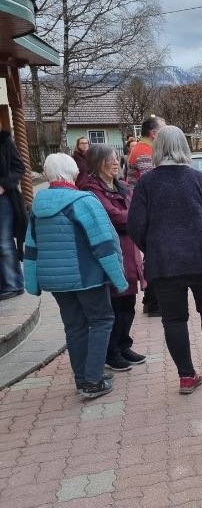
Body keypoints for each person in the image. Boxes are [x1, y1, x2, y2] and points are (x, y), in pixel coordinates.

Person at [127, 125, 202, 394]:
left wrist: (154, 247)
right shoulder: (197, 179)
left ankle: (186, 376)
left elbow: (135, 226)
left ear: (157, 148)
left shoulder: (146, 184)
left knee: (173, 320)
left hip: (164, 262)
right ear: (183, 147)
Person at [23, 153, 128, 399]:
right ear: (74, 172)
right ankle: (93, 379)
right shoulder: (83, 201)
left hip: (56, 281)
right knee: (101, 320)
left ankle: (83, 378)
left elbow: (31, 245)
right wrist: (118, 277)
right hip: (87, 275)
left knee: (74, 326)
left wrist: (32, 282)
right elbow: (104, 243)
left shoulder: (38, 205)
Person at [80, 144, 147, 372]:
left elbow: (138, 212)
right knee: (114, 305)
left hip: (130, 251)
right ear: (98, 162)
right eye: (111, 159)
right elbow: (114, 217)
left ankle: (124, 345)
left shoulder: (123, 187)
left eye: (117, 158)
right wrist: (134, 217)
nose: (117, 162)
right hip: (110, 253)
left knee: (128, 303)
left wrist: (135, 217)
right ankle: (111, 352)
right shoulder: (91, 191)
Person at [127, 117, 165, 316]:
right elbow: (153, 185)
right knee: (154, 257)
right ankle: (153, 302)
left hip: (144, 209)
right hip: (150, 212)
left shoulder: (142, 148)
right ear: (154, 133)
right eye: (163, 129)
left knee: (152, 256)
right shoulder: (145, 152)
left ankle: (150, 301)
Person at [0, 130, 26, 300]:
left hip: (4, 199)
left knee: (4, 243)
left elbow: (19, 168)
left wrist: (3, 185)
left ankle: (13, 284)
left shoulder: (4, 142)